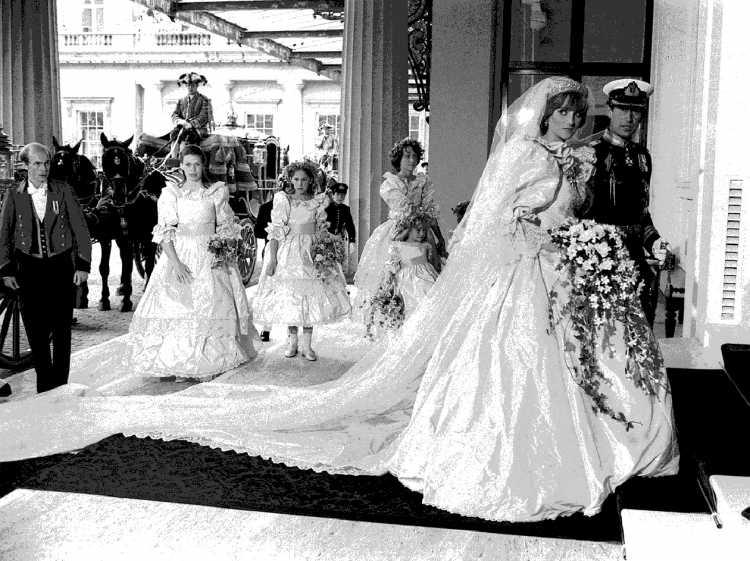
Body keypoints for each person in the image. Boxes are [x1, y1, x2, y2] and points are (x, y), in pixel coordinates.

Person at [0, 78, 678, 526]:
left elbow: (570, 209)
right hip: (518, 276)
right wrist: (535, 225)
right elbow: (499, 219)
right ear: (545, 116)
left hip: (555, 272)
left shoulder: (582, 159)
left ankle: (597, 436)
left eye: (575, 118)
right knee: (508, 366)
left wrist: (579, 226)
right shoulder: (524, 156)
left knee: (572, 362)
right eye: (563, 115)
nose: (569, 124)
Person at [128, 144, 255, 379]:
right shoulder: (172, 193)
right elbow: (165, 232)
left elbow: (226, 227)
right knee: (177, 305)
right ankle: (175, 360)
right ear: (182, 166)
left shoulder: (216, 191)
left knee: (211, 304)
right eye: (188, 164)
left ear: (203, 165)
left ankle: (206, 359)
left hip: (210, 253)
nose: (193, 169)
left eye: (197, 164)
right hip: (182, 253)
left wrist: (222, 251)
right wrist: (176, 264)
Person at [0, 142, 91, 393]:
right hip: (27, 270)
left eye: (46, 163)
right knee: (36, 330)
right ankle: (44, 387)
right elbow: (3, 235)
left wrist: (82, 265)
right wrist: (6, 270)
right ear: (25, 166)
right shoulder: (14, 194)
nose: (43, 168)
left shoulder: (62, 191)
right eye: (37, 164)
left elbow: (81, 230)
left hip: (60, 268)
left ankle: (61, 386)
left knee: (62, 330)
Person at [581, 79, 669, 325]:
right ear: (610, 109)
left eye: (636, 111)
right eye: (622, 109)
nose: (629, 118)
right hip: (601, 258)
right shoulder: (591, 152)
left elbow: (642, 214)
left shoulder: (643, 157)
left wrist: (655, 242)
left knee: (639, 333)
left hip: (635, 259)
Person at [253, 161, 351, 361]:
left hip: (311, 251)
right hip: (290, 251)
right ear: (290, 180)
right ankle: (292, 341)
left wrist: (325, 251)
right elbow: (276, 232)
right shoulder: (284, 200)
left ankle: (307, 345)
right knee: (292, 295)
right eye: (296, 179)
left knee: (309, 296)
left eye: (304, 179)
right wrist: (271, 260)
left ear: (310, 181)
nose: (299, 183)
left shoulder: (317, 201)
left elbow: (323, 228)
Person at [353, 138, 445, 321]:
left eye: (415, 156)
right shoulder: (390, 183)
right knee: (393, 271)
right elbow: (403, 207)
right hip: (399, 230)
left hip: (421, 229)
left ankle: (422, 317)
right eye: (407, 156)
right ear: (398, 159)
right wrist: (418, 215)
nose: (412, 160)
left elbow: (429, 208)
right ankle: (393, 313)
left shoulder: (423, 181)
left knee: (426, 270)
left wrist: (438, 235)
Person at [253, 178, 295, 342]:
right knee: (269, 288)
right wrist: (275, 235)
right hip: (272, 249)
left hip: (290, 251)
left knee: (288, 289)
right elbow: (258, 232)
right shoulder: (266, 208)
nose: (291, 190)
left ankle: (289, 328)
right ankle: (266, 327)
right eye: (289, 186)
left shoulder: (297, 207)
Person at [389, 213, 438, 317]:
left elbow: (431, 261)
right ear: (409, 230)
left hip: (426, 274)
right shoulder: (399, 245)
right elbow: (393, 262)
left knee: (429, 296)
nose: (422, 233)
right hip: (407, 278)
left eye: (424, 230)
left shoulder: (426, 245)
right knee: (413, 303)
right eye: (418, 230)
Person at [169, 72, 213, 157]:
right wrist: (179, 121)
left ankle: (183, 160)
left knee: (186, 136)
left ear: (197, 86)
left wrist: (190, 124)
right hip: (182, 127)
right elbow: (174, 114)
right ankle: (173, 160)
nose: (190, 88)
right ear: (186, 86)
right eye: (188, 85)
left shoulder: (204, 99)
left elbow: (204, 116)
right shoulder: (181, 100)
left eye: (192, 85)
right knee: (174, 134)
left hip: (199, 129)